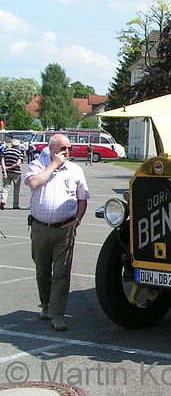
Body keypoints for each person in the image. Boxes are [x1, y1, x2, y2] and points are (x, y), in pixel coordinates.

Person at [24, 133, 90, 331]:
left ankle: (57, 315)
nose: (67, 152)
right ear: (51, 148)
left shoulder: (75, 170)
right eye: (63, 149)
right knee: (43, 271)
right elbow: (34, 183)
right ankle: (45, 305)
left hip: (65, 229)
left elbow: (83, 198)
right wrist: (53, 165)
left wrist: (77, 220)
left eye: (69, 149)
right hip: (40, 227)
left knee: (62, 272)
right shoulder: (38, 165)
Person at [1, 139, 23, 210]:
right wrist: (9, 167)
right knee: (16, 188)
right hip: (16, 172)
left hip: (7, 173)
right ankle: (15, 204)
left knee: (5, 187)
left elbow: (2, 162)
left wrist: (5, 170)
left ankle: (3, 200)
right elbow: (17, 164)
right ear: (18, 145)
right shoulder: (19, 152)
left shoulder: (6, 151)